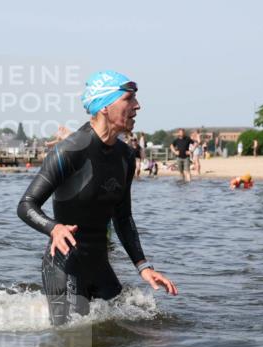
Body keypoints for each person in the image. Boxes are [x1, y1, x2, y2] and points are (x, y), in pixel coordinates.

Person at [17, 70, 177, 326]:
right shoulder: (70, 150)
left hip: (100, 266)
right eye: (129, 99)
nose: (137, 105)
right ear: (105, 106)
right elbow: (26, 205)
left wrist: (143, 267)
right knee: (70, 346)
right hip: (65, 265)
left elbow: (123, 217)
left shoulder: (126, 156)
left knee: (135, 334)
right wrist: (53, 228)